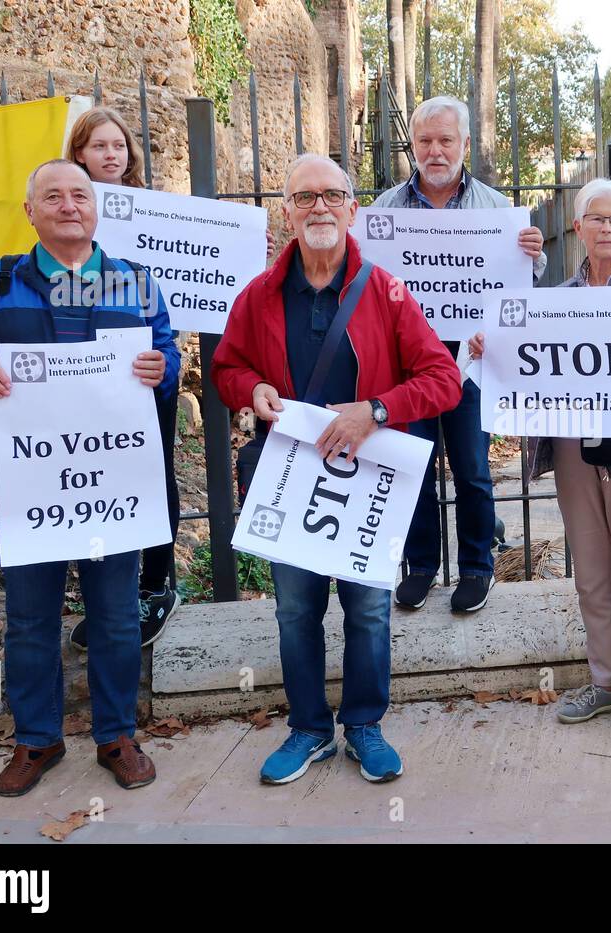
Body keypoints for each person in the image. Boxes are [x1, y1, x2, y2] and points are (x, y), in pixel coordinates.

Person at [211, 154, 462, 785]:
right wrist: (253, 390)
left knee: (369, 610)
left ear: (353, 209)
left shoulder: (386, 292)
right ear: (287, 212)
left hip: (366, 479)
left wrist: (376, 410)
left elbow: (443, 380)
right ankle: (308, 728)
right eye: (304, 198)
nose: (318, 207)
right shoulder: (259, 295)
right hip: (289, 477)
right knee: (295, 610)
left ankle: (365, 725)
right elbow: (226, 368)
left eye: (332, 196)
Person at [0, 159, 180, 796]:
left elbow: (169, 352)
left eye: (80, 194)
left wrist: (165, 368)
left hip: (112, 484)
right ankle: (37, 739)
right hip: (37, 486)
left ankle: (116, 735)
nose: (69, 204)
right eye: (53, 195)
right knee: (28, 618)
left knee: (115, 615)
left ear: (96, 207)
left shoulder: (135, 281)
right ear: (31, 211)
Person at [468, 178, 611, 746]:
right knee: (594, 578)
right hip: (575, 453)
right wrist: (487, 349)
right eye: (593, 219)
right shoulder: (552, 302)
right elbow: (524, 364)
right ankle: (606, 684)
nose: (604, 228)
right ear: (577, 228)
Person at [373, 95, 546, 614]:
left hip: (473, 360)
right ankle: (420, 565)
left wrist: (533, 256)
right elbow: (367, 282)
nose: (435, 150)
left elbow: (522, 290)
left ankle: (476, 567)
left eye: (446, 139)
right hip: (409, 363)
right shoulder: (386, 209)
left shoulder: (496, 209)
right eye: (424, 141)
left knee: (471, 467)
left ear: (465, 144)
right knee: (413, 465)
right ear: (414, 147)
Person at [64, 106, 181, 648]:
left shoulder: (153, 210)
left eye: (119, 146)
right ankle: (109, 598)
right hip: (86, 366)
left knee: (154, 475)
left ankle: (155, 589)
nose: (111, 155)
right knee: (95, 474)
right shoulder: (69, 205)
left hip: (146, 362)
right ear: (79, 154)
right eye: (99, 146)